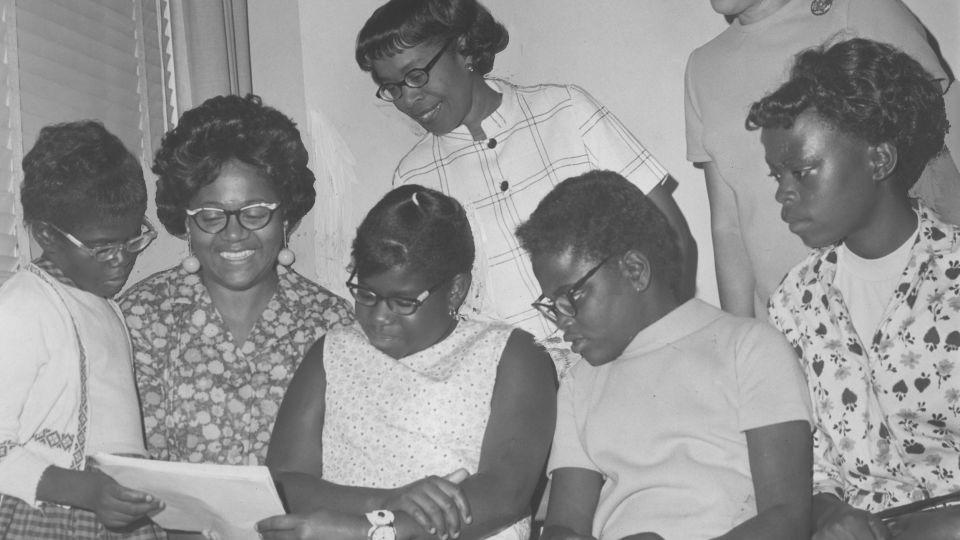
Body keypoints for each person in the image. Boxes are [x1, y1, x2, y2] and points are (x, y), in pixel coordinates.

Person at [355, 0, 697, 376]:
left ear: (464, 48)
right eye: (391, 88)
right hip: (513, 388)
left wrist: (662, 347)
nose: (407, 99)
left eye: (416, 75)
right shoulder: (413, 180)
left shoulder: (565, 111)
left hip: (626, 366)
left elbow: (670, 237)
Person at [515, 170, 813, 540]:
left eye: (572, 296)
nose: (561, 319)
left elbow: (788, 518)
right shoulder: (579, 383)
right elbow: (563, 527)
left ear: (634, 270)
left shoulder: (748, 346)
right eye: (552, 305)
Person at [256, 185, 556, 540]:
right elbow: (282, 484)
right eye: (366, 294)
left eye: (403, 301)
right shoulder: (333, 352)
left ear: (456, 289)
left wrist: (371, 531)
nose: (380, 315)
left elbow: (506, 494)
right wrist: (387, 501)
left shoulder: (510, 354)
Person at [750, 38, 960, 540]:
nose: (782, 192)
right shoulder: (795, 302)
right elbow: (805, 458)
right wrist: (826, 512)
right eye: (776, 175)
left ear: (880, 159)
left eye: (801, 170)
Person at [119, 94, 353, 469]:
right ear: (187, 223)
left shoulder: (333, 324)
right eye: (211, 216)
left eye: (255, 213)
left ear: (286, 217)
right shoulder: (141, 318)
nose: (233, 233)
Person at [685, 0, 960, 318]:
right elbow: (727, 227)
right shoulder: (702, 66)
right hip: (789, 324)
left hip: (908, 308)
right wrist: (746, 344)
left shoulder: (862, 10)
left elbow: (941, 165)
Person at [0, 121, 164, 538]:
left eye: (132, 242)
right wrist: (86, 490)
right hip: (52, 514)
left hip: (111, 510)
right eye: (103, 247)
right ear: (44, 234)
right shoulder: (24, 304)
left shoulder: (107, 306)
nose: (121, 261)